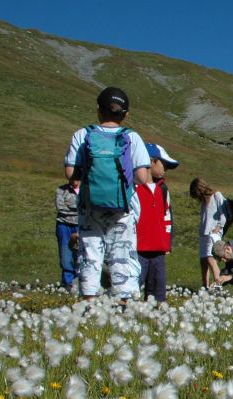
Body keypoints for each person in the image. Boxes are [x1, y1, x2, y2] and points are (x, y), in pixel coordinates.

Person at [63, 86, 151, 302]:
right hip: (123, 208)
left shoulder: (83, 135)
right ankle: (124, 304)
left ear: (98, 109)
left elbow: (70, 173)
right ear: (125, 114)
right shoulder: (131, 137)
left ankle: (89, 304)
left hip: (89, 206)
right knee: (123, 254)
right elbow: (142, 177)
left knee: (90, 254)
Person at [135, 144, 178, 303]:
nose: (165, 169)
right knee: (134, 284)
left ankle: (155, 314)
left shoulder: (163, 189)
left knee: (157, 287)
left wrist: (167, 243)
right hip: (137, 248)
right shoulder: (134, 187)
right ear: (151, 161)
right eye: (163, 164)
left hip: (158, 249)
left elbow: (167, 217)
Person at [190, 177, 228, 289]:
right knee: (203, 260)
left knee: (210, 258)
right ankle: (205, 286)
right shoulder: (203, 200)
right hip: (204, 233)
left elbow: (223, 214)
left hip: (213, 233)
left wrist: (219, 226)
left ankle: (218, 284)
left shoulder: (216, 195)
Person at [54, 175, 82, 291]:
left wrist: (70, 207)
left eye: (76, 179)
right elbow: (60, 207)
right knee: (66, 253)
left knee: (79, 254)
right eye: (72, 179)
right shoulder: (61, 190)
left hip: (80, 225)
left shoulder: (86, 190)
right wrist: (78, 208)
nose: (74, 182)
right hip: (64, 225)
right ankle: (67, 282)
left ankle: (78, 280)